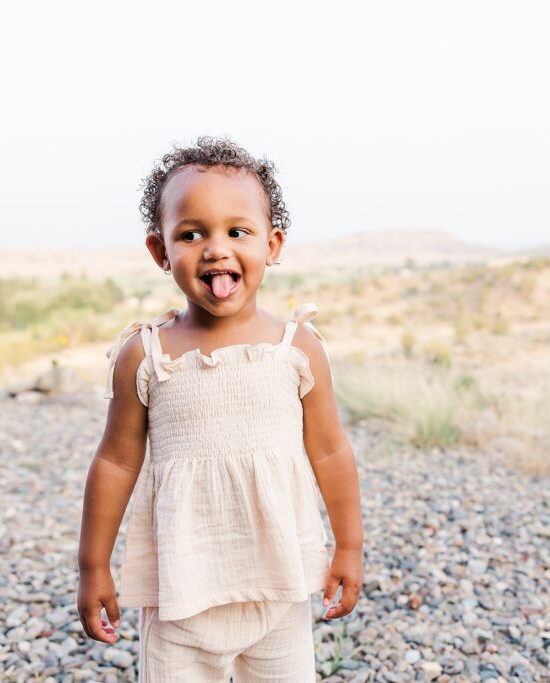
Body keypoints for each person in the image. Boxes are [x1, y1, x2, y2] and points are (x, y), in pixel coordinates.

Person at [76, 136, 365, 681]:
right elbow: (114, 462)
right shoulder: (147, 354)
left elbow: (330, 451)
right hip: (180, 598)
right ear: (161, 252)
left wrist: (349, 546)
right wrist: (93, 567)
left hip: (278, 592)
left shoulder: (296, 349)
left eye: (238, 231)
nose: (215, 248)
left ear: (272, 245)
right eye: (191, 234)